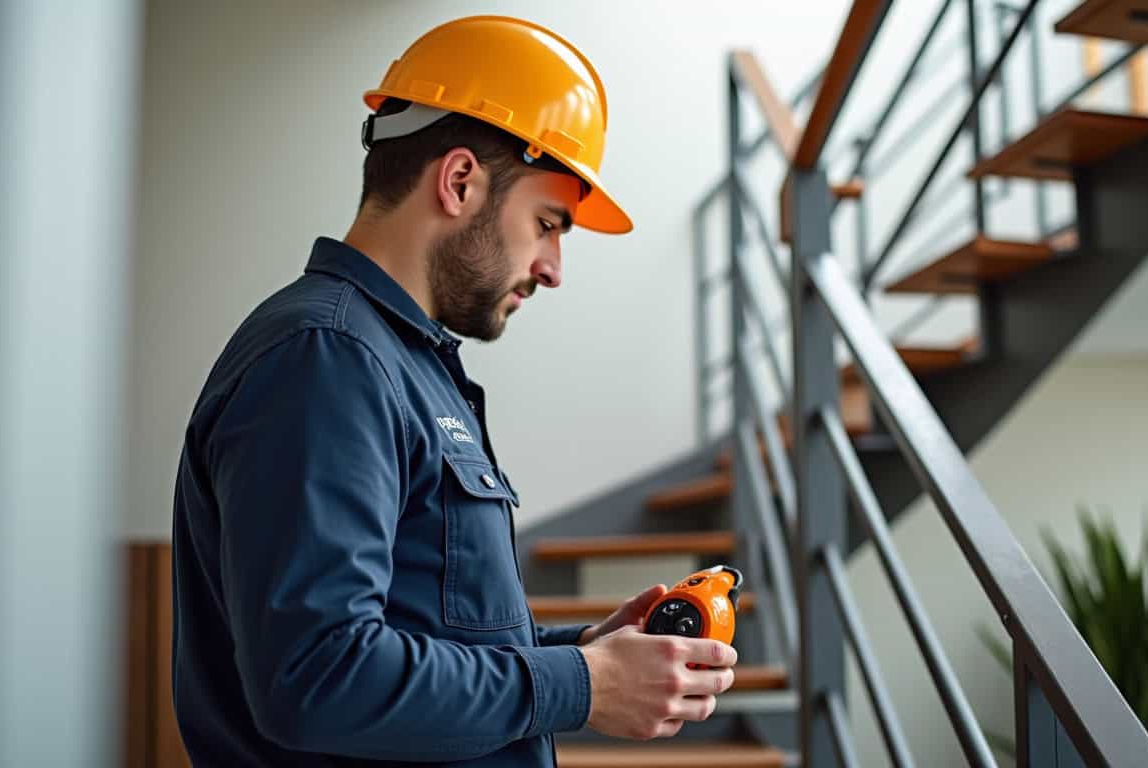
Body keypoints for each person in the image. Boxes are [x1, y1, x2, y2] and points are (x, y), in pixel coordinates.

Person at [170, 15, 736, 766]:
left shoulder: (398, 363)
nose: (554, 267)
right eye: (547, 223)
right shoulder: (327, 360)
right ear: (460, 181)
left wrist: (590, 654)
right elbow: (317, 677)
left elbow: (425, 635)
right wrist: (581, 686)